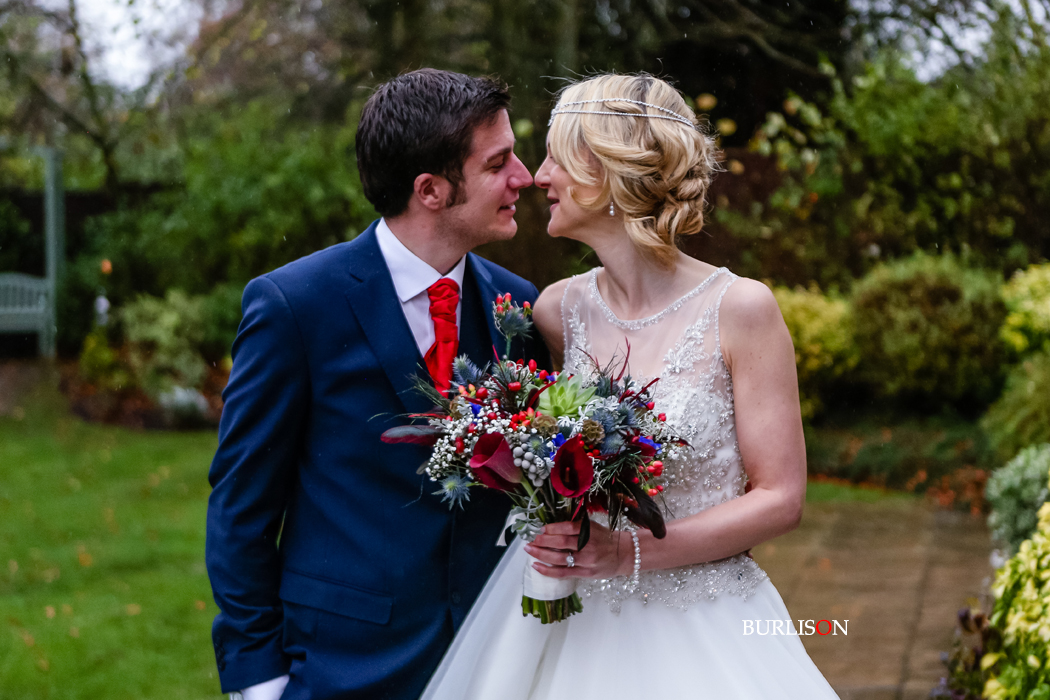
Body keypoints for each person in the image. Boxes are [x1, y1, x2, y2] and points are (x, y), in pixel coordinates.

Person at [421, 73, 841, 699]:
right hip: (566, 620)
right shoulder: (557, 312)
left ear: (609, 173)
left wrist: (630, 553)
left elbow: (781, 497)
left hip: (706, 623)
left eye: (557, 158)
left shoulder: (742, 310)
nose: (538, 177)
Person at [205, 68, 545, 700]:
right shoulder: (296, 306)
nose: (524, 176)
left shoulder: (518, 309)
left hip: (495, 659)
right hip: (342, 665)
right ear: (432, 190)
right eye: (499, 163)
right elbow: (240, 504)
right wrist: (258, 678)